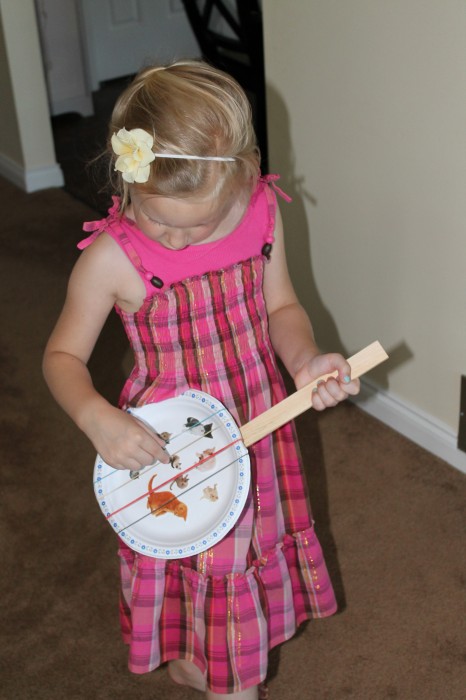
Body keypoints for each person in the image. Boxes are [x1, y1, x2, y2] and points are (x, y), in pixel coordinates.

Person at [43, 60, 360, 699]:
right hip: (170, 444)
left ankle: (212, 660)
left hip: (257, 422)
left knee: (246, 551)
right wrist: (95, 416)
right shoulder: (111, 258)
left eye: (199, 224)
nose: (178, 238)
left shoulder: (264, 210)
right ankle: (227, 675)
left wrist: (303, 364)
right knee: (197, 560)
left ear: (244, 177)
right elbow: (61, 359)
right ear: (127, 184)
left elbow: (283, 309)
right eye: (159, 221)